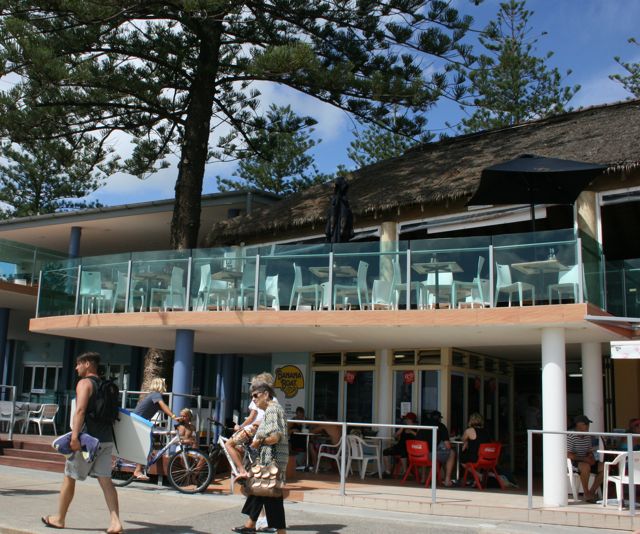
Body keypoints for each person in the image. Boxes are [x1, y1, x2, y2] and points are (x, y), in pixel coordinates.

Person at [41, 352, 123, 534]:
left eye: (78, 364)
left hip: (87, 441)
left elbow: (80, 411)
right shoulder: (106, 385)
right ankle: (115, 521)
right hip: (106, 439)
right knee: (106, 481)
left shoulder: (84, 383)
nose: (76, 368)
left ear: (87, 364)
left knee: (69, 477)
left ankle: (59, 519)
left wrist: (75, 437)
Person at [233, 381, 288, 534]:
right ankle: (250, 526)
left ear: (266, 394)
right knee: (261, 491)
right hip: (271, 459)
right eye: (252, 397)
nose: (254, 400)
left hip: (272, 460)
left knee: (270, 494)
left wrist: (258, 441)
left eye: (256, 396)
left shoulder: (271, 410)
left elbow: (275, 437)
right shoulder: (273, 409)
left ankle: (280, 531)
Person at [133, 377, 179, 480]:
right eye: (165, 384)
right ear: (160, 385)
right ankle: (137, 470)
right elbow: (163, 406)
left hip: (141, 421)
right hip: (138, 421)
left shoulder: (154, 396)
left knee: (150, 442)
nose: (166, 386)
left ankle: (144, 463)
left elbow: (163, 409)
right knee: (145, 445)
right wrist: (174, 416)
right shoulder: (156, 394)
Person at [567, 414, 603, 503]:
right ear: (577, 425)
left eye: (588, 424)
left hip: (585, 460)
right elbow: (568, 454)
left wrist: (591, 457)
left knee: (605, 467)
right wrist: (584, 459)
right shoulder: (570, 435)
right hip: (573, 462)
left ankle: (591, 492)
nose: (587, 426)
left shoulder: (587, 436)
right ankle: (586, 493)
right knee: (585, 466)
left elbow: (589, 451)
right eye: (585, 424)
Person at [417, 410, 456, 486]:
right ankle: (447, 480)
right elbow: (448, 446)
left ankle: (423, 478)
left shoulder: (422, 426)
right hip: (431, 456)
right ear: (439, 419)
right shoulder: (441, 426)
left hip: (418, 455)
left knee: (426, 450)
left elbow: (418, 440)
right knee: (451, 453)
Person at [382, 412, 419, 478]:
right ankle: (388, 471)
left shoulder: (416, 427)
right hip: (400, 446)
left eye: (408, 419)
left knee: (403, 452)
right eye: (406, 419)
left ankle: (405, 472)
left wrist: (411, 431)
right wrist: (401, 429)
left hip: (410, 448)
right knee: (385, 451)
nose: (406, 420)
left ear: (412, 420)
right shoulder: (403, 427)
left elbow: (419, 437)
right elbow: (394, 436)